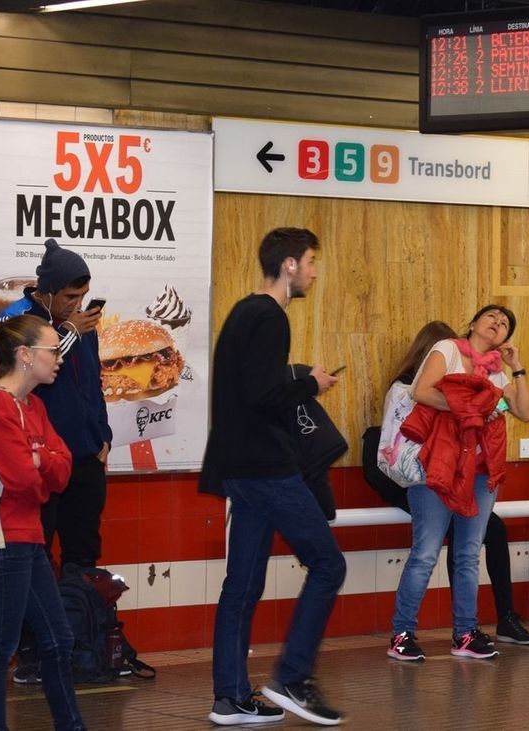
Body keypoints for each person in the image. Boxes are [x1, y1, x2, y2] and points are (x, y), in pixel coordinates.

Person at [199, 228, 346, 726]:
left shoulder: (244, 313)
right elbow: (263, 396)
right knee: (329, 565)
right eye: (309, 261)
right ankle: (292, 677)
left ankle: (231, 698)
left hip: (237, 469)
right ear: (287, 265)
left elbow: (247, 390)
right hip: (265, 468)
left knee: (241, 586)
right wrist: (309, 384)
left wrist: (299, 383)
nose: (313, 270)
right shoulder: (269, 316)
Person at [363, 320, 529, 651]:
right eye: (492, 316)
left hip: (481, 469)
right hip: (439, 465)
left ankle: (465, 633)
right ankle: (402, 634)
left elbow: (525, 412)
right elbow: (421, 392)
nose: (498, 322)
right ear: (472, 324)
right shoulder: (447, 350)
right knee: (426, 552)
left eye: (505, 323)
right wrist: (476, 408)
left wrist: (517, 368)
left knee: (468, 553)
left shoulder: (497, 373)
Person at [0, 239, 112, 684]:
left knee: (84, 554)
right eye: (68, 297)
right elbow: (20, 376)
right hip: (39, 463)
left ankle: (85, 645)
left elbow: (94, 384)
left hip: (83, 458)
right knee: (36, 558)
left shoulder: (82, 327)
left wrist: (102, 437)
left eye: (82, 297)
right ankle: (32, 654)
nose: (77, 305)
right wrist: (70, 333)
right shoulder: (15, 322)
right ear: (44, 291)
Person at [0, 315, 84, 730]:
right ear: (24, 355)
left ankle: (71, 725)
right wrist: (39, 466)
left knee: (58, 639)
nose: (59, 359)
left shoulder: (32, 406)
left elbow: (63, 469)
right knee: (1, 648)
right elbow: (26, 483)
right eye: (53, 350)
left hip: (28, 539)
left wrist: (40, 462)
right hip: (2, 543)